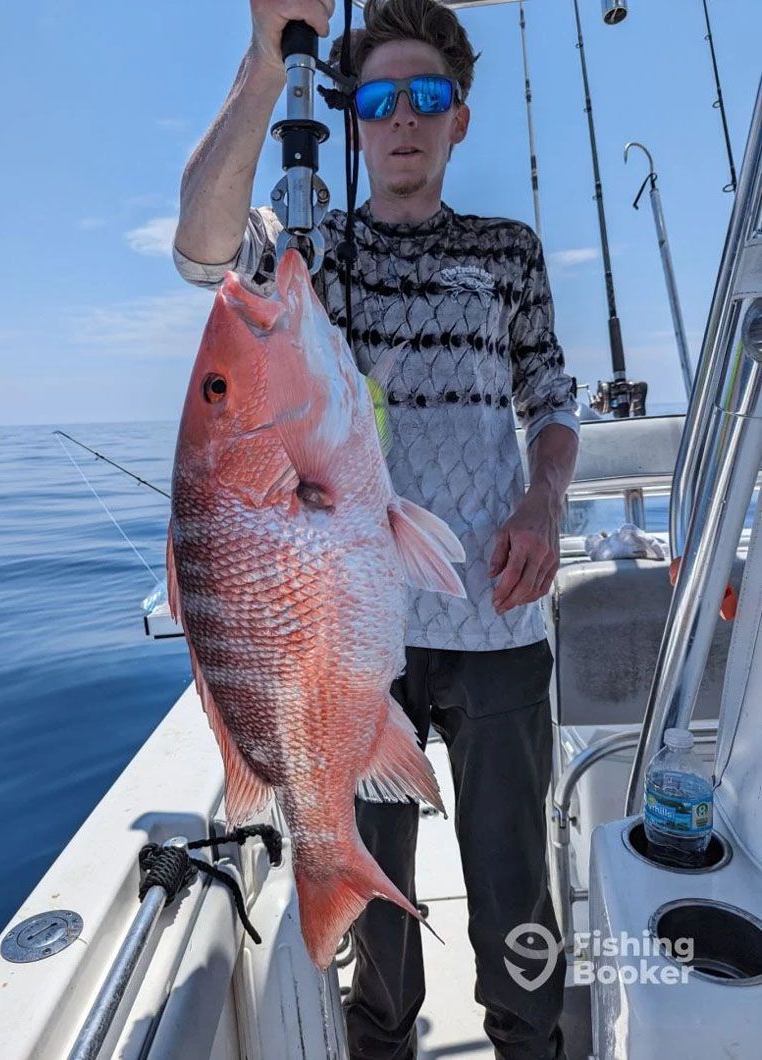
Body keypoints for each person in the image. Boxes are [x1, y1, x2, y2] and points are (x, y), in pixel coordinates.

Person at [172, 2, 579, 1057]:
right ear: (353, 121)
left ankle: (528, 1038)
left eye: (427, 98)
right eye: (378, 99)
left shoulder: (507, 252)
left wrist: (543, 501)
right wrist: (268, 66)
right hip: (351, 639)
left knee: (512, 886)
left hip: (493, 624)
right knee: (376, 931)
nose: (403, 118)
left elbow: (550, 404)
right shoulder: (311, 255)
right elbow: (201, 243)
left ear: (459, 120)